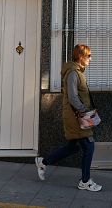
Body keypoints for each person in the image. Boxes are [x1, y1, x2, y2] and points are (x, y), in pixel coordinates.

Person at [35, 44, 102, 191]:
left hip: (76, 114)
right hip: (75, 116)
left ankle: (44, 162)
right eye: (89, 56)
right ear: (80, 57)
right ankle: (85, 181)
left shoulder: (78, 72)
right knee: (89, 146)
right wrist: (84, 110)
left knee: (72, 147)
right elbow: (72, 97)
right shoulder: (72, 73)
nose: (91, 58)